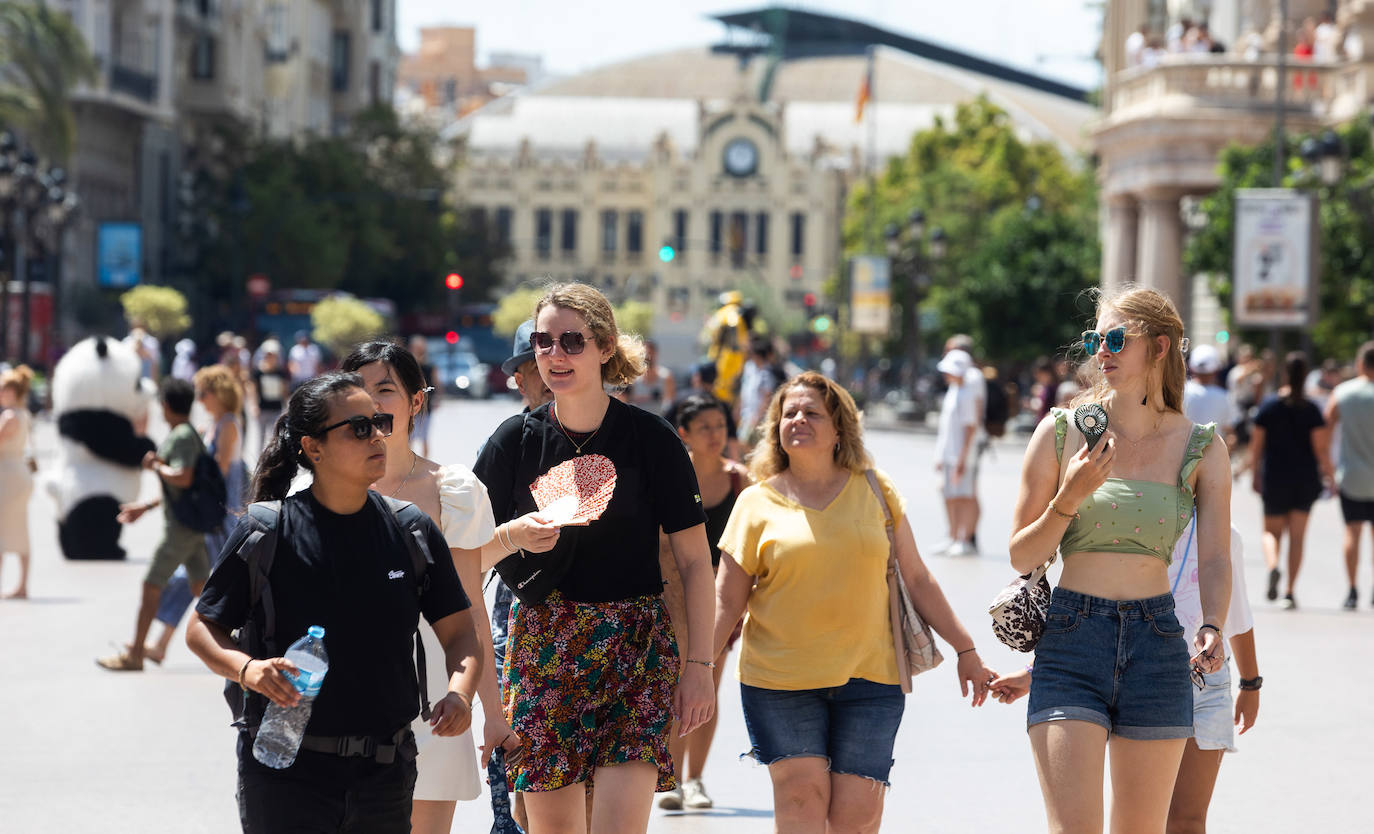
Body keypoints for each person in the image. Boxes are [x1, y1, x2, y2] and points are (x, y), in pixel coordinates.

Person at [186, 372, 483, 833]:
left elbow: (460, 632)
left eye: (380, 423)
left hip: (385, 773)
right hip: (285, 770)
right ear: (313, 447)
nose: (378, 437)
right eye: (358, 428)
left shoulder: (412, 531)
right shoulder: (269, 531)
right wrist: (248, 670)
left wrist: (460, 695)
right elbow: (202, 628)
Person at [474, 283, 715, 834]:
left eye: (571, 341)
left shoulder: (652, 439)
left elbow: (697, 563)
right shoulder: (512, 443)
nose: (555, 355)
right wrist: (512, 535)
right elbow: (463, 558)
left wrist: (699, 667)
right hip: (544, 649)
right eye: (543, 341)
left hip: (636, 647)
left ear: (605, 347)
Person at [710, 370, 996, 833]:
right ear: (775, 428)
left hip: (870, 680)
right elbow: (726, 600)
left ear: (839, 429)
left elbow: (918, 578)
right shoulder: (755, 503)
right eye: (790, 413)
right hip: (780, 682)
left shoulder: (875, 489)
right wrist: (698, 670)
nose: (799, 420)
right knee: (801, 798)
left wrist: (966, 650)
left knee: (858, 817)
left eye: (812, 413)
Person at [1008, 286, 1231, 832]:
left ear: (1159, 348)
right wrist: (1070, 495)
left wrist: (1212, 625)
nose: (1100, 351)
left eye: (1114, 339)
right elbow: (1022, 554)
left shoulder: (1201, 446)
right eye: (1094, 339)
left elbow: (1218, 557)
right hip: (1071, 638)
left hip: (1157, 645)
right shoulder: (1062, 432)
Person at [338, 340, 498, 834]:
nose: (371, 402)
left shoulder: (455, 490)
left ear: (415, 401)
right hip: (343, 704)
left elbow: (472, 613)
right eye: (358, 391)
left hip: (437, 700)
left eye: (384, 389)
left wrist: (490, 712)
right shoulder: (319, 492)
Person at [657, 394, 750, 811]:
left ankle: (695, 779)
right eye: (705, 427)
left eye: (721, 426)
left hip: (724, 602)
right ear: (684, 434)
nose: (716, 435)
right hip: (672, 598)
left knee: (707, 685)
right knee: (675, 686)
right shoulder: (671, 477)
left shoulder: (741, 482)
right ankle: (671, 777)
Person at [485, 318, 554, 833]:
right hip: (519, 601)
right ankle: (506, 823)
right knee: (511, 719)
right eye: (535, 366)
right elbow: (468, 538)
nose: (551, 372)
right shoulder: (509, 442)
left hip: (602, 616)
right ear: (518, 379)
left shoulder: (616, 434)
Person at [97, 378, 211, 671]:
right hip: (191, 526)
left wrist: (155, 466)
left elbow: (183, 477)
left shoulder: (183, 435)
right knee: (204, 590)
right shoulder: (185, 433)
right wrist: (144, 507)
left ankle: (135, 654)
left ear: (165, 406)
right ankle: (245, 645)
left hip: (181, 530)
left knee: (151, 585)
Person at [142, 364, 251, 664]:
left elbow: (219, 472)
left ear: (218, 394)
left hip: (219, 516)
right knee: (193, 579)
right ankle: (160, 644)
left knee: (213, 581)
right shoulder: (214, 424)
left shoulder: (228, 423)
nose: (199, 400)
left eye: (203, 393)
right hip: (211, 515)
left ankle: (232, 643)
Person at [1250, 351, 1331, 609]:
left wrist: (1254, 474)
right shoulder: (1311, 409)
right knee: (1297, 538)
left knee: (1270, 532)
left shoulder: (1270, 405)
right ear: (1306, 375)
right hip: (1305, 479)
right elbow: (1321, 449)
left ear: (1284, 373)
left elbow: (1256, 446)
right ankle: (1289, 592)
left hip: (1275, 476)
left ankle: (1273, 565)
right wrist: (1329, 475)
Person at [1325, 341, 1374, 609]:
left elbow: (1325, 428)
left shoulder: (1343, 393)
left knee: (1352, 533)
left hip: (1352, 476)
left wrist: (1329, 470)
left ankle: (1353, 589)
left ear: (1359, 364)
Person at [933, 349, 980, 556]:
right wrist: (940, 455)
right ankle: (952, 537)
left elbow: (970, 428)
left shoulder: (968, 393)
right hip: (950, 454)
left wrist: (962, 457)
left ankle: (965, 539)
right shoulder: (954, 391)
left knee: (964, 497)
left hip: (962, 455)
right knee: (950, 495)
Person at [0, 364, 35, 599]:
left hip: (7, 476)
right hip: (17, 474)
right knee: (19, 530)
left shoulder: (10, 416)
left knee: (4, 532)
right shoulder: (23, 414)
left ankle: (20, 585)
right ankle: (22, 585)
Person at [1183, 345, 1234, 432]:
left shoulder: (1181, 392)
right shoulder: (1225, 396)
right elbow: (1229, 428)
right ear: (1216, 369)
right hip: (1215, 445)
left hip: (1182, 445)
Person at [251, 341, 288, 460]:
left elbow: (284, 389)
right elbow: (253, 390)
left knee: (274, 435)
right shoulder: (258, 372)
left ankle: (273, 458)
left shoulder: (280, 372)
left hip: (276, 407)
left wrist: (287, 405)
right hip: (262, 408)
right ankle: (258, 459)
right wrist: (254, 405)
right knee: (260, 437)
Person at [407, 335, 440, 458]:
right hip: (411, 408)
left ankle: (425, 462)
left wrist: (438, 398)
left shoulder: (430, 366)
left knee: (424, 438)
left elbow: (437, 384)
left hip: (426, 406)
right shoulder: (409, 366)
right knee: (410, 438)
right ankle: (410, 464)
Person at [627, 339, 676, 415]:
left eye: (650, 353)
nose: (647, 356)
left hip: (659, 420)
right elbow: (629, 399)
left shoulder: (666, 376)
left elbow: (671, 401)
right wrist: (651, 397)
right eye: (644, 353)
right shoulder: (634, 378)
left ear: (656, 354)